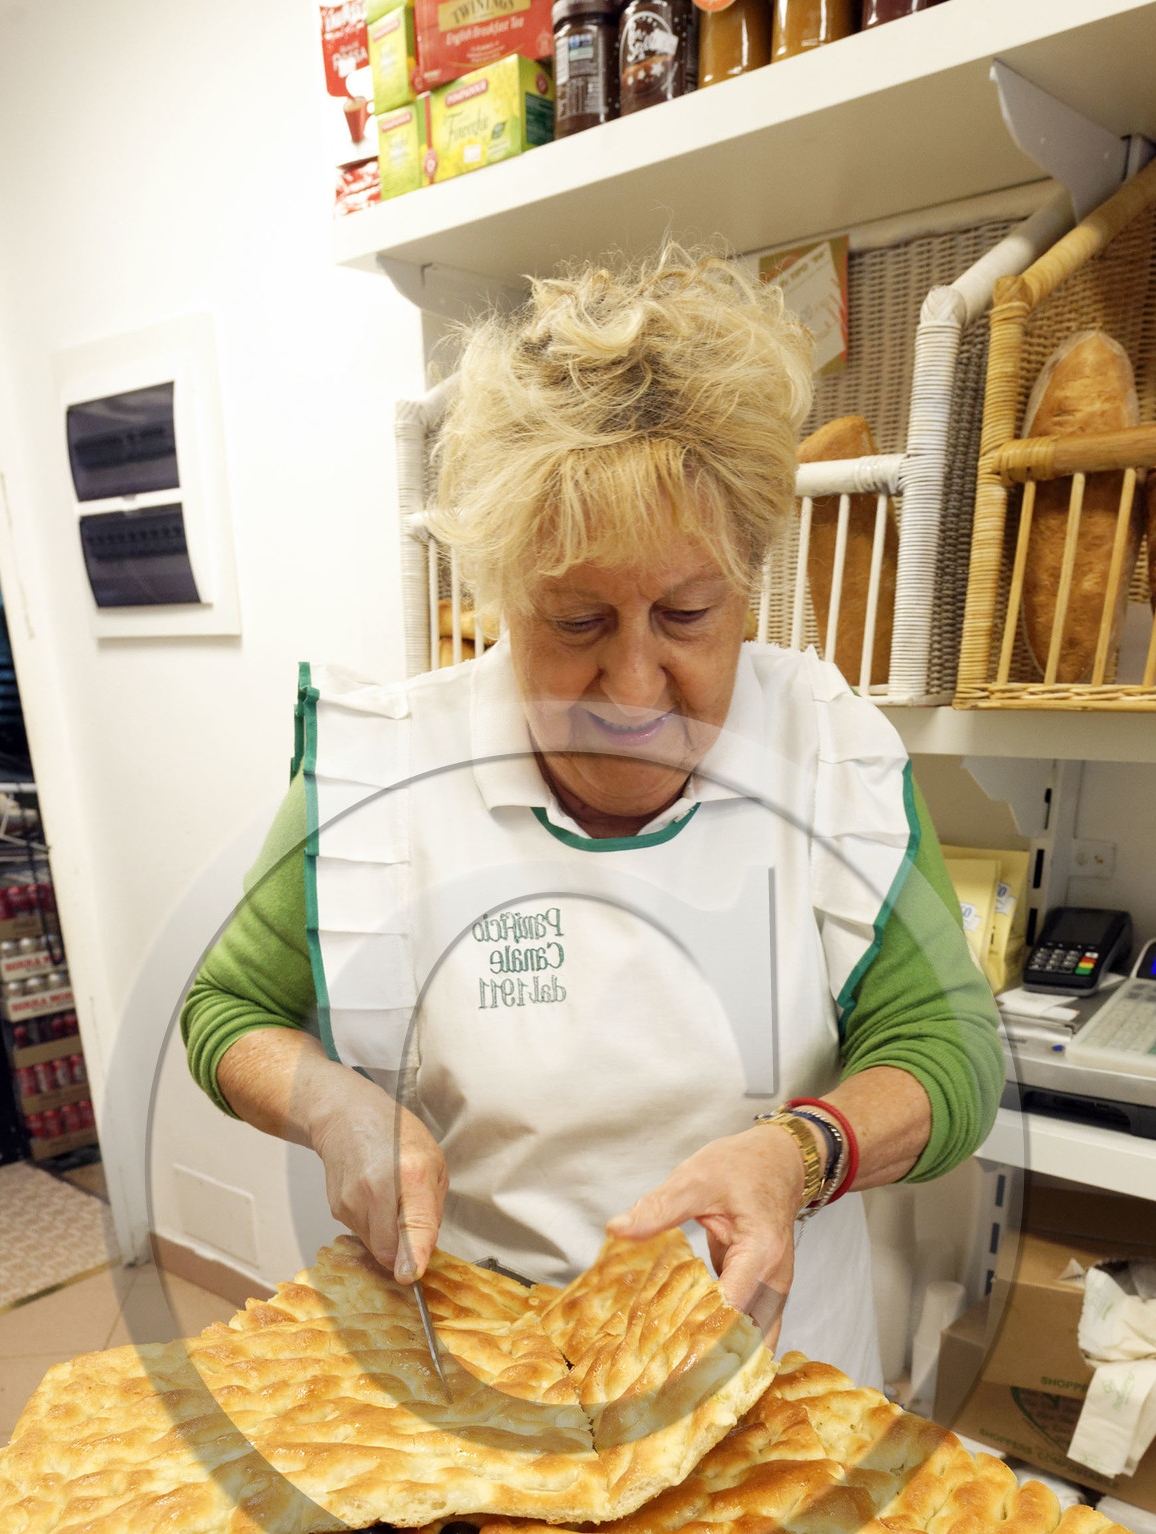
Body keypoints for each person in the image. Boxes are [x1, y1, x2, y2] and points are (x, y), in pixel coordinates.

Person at [183, 250, 1003, 1385]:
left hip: (776, 1382)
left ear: (749, 582)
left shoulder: (829, 752)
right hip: (493, 1376)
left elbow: (948, 1049)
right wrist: (331, 1105)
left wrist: (799, 1155)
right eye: (575, 622)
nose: (633, 686)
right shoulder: (382, 771)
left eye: (686, 613)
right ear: (500, 596)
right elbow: (228, 1010)